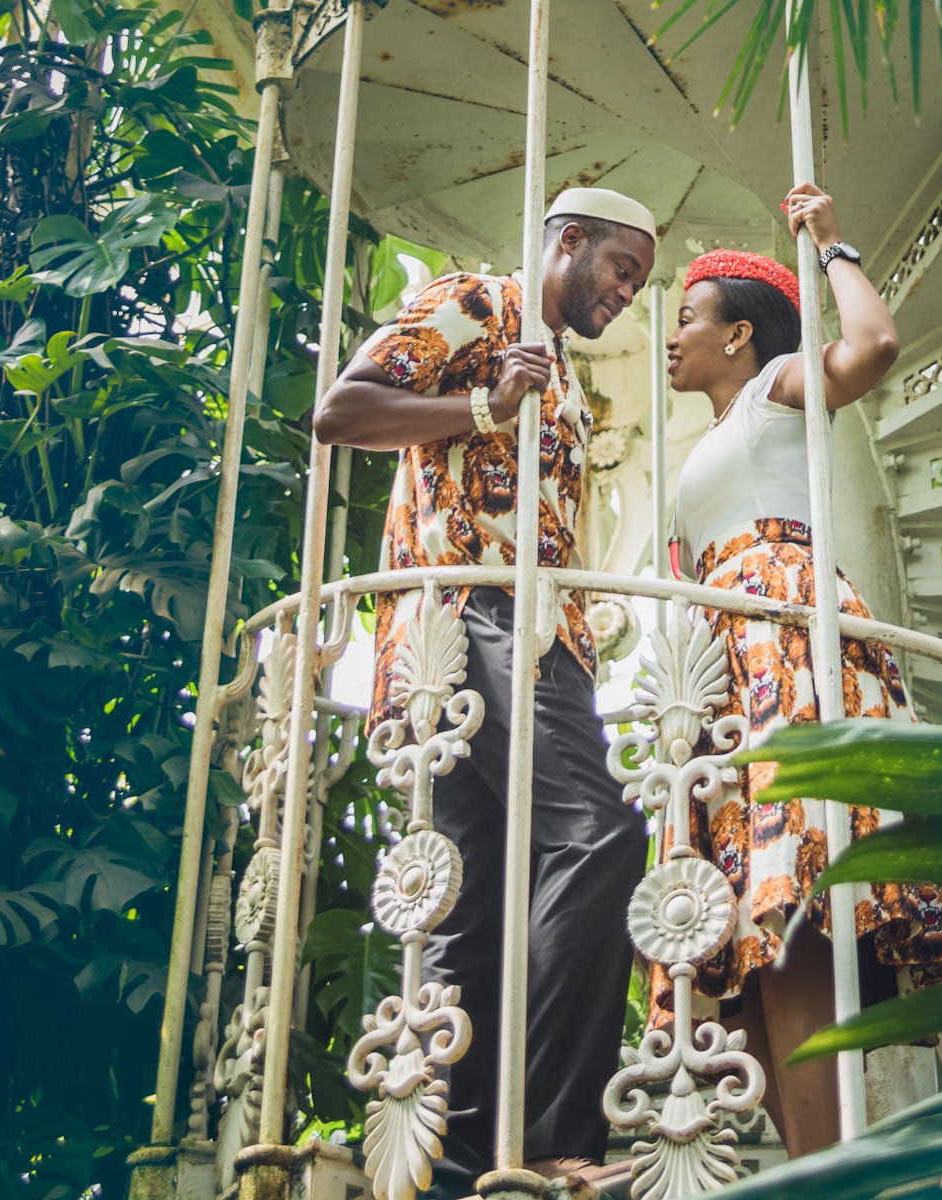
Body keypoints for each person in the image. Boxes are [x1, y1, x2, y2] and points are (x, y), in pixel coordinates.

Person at [314, 187, 655, 1198]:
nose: (627, 294)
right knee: (599, 834)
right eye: (618, 269)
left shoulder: (562, 372)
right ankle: (558, 1135)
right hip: (475, 614)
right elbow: (341, 412)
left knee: (473, 899)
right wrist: (479, 406)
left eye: (639, 283)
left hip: (519, 637)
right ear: (568, 241)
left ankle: (457, 1165)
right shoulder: (478, 305)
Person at [657, 182, 942, 1157]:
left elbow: (872, 350)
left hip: (783, 637)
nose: (671, 337)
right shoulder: (713, 437)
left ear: (742, 335)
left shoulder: (776, 386)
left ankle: (829, 1171)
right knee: (746, 934)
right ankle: (808, 1165)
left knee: (793, 900)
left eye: (687, 318)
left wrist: (832, 246)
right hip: (719, 661)